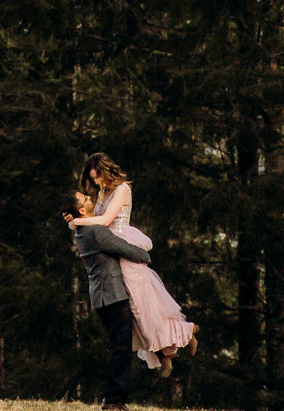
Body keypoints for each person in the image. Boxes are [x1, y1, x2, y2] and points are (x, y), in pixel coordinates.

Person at [78, 154, 197, 376]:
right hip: (112, 248)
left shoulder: (122, 189)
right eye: (94, 180)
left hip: (123, 243)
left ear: (106, 171)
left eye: (98, 178)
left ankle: (184, 335)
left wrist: (78, 222)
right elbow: (94, 217)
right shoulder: (103, 192)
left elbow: (104, 221)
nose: (97, 183)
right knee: (135, 311)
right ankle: (166, 352)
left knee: (140, 306)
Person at [62, 191, 153, 410]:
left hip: (102, 296)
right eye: (85, 199)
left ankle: (114, 398)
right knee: (120, 348)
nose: (90, 198)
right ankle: (113, 400)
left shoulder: (83, 230)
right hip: (112, 295)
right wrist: (145, 255)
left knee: (118, 345)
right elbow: (123, 248)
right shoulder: (95, 231)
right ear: (82, 210)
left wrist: (72, 222)